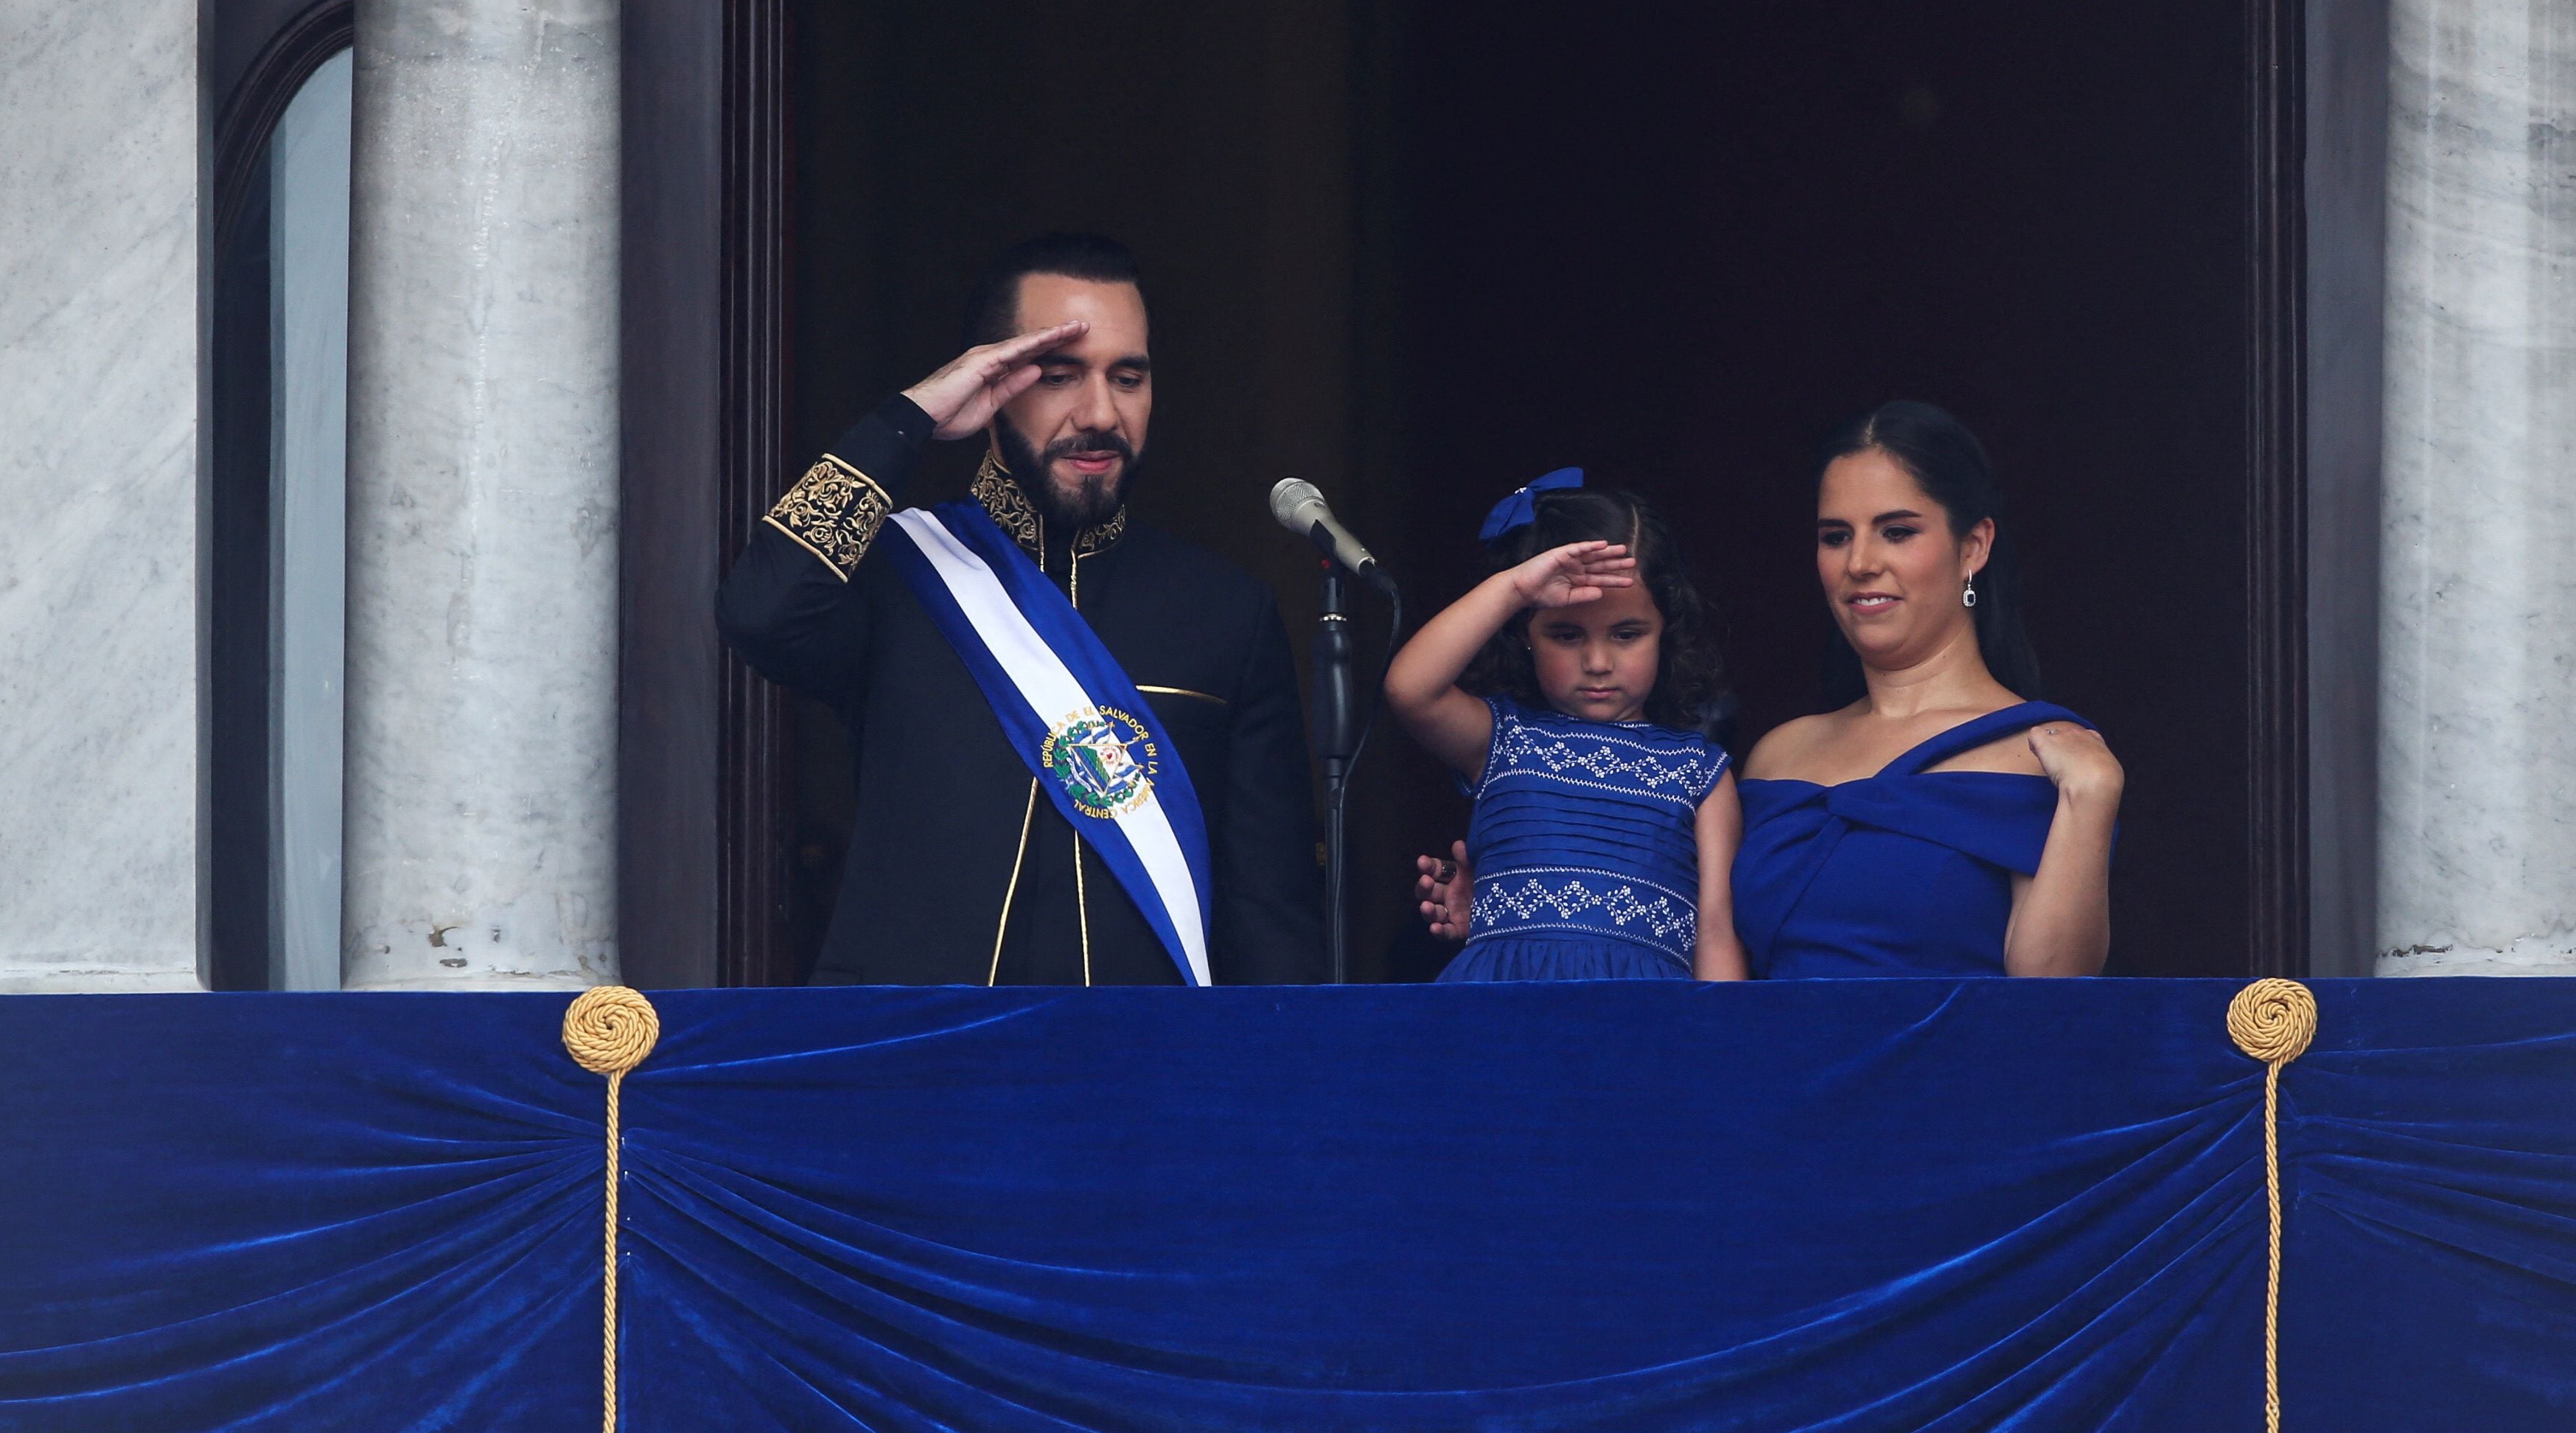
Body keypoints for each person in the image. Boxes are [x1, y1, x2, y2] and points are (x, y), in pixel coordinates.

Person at [718, 234, 1322, 986]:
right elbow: (759, 612)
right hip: (922, 1067)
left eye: (1128, 378)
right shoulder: (898, 577)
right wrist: (911, 419)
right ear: (992, 379)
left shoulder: (1224, 610)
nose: (1101, 412)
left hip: (1142, 1077)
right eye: (1060, 377)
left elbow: (1270, 912)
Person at [1415, 405, 2119, 977]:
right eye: (1836, 536)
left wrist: (2091, 798)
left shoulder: (2043, 752)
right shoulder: (1779, 755)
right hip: (1770, 1109)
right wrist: (1520, 909)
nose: (1862, 563)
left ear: (1974, 547)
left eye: (1898, 532)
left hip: (1932, 1115)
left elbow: (2051, 994)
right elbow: (1703, 932)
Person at [1384, 475, 1744, 981]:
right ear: (1525, 635)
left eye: (1627, 634)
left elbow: (1715, 930)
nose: (1598, 661)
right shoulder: (1504, 738)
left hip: (1642, 1019)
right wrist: (1515, 588)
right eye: (1566, 634)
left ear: (1668, 631)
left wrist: (1719, 1050)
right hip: (1499, 1010)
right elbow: (1410, 688)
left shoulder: (1697, 770)